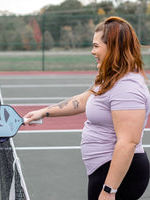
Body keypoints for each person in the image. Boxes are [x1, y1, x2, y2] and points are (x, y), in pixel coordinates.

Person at [24, 16, 150, 200]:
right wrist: (44, 112)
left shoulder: (127, 86)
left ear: (113, 47)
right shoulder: (112, 78)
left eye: (96, 46)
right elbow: (84, 100)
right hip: (104, 169)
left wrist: (109, 191)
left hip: (120, 175)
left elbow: (128, 143)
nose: (92, 51)